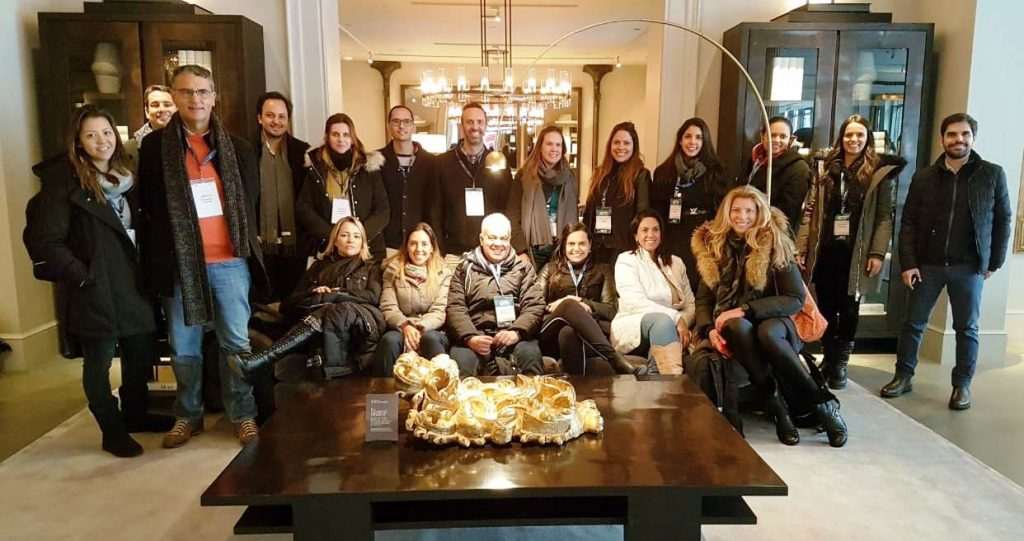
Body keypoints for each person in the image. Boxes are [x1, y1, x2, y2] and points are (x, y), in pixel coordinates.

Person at [24, 106, 173, 457]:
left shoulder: (127, 176)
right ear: (78, 141)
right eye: (91, 135)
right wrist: (82, 277)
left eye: (107, 133)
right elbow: (47, 240)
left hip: (132, 282)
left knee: (139, 354)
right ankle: (111, 429)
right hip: (94, 286)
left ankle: (136, 413)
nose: (101, 141)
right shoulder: (63, 183)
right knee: (99, 362)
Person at [137, 65, 268, 449]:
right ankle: (187, 415)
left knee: (236, 344)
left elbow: (250, 201)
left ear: (214, 97)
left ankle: (242, 414)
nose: (195, 99)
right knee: (184, 347)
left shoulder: (239, 148)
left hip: (230, 261)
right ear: (174, 97)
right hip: (179, 264)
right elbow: (149, 207)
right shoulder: (154, 149)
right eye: (186, 91)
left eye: (202, 91)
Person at [691, 186, 847, 447]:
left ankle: (823, 404)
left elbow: (794, 298)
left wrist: (746, 309)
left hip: (775, 318)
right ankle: (776, 405)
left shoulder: (774, 242)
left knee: (766, 333)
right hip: (733, 324)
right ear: (727, 213)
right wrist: (709, 331)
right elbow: (704, 301)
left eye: (749, 211)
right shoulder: (713, 247)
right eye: (736, 210)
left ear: (759, 213)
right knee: (736, 326)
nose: (742, 216)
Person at [881, 113, 1012, 410]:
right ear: (943, 139)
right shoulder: (924, 177)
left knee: (967, 328)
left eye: (965, 134)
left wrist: (994, 262)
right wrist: (909, 263)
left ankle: (962, 385)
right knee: (913, 324)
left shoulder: (992, 174)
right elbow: (909, 222)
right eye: (952, 134)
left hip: (969, 267)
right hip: (928, 264)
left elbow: (1003, 220)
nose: (958, 140)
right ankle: (903, 376)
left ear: (973, 138)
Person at [796, 114, 906, 389]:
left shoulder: (879, 173)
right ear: (841, 138)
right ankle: (829, 357)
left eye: (859, 135)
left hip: (856, 252)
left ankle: (840, 364)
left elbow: (884, 217)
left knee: (848, 308)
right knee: (824, 305)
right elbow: (810, 209)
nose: (853, 140)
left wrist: (877, 253)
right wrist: (801, 246)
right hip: (825, 249)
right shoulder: (825, 168)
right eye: (848, 134)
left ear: (867, 139)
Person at [229, 217, 385, 379]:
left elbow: (373, 297)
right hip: (323, 323)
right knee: (326, 312)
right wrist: (314, 292)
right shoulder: (319, 266)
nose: (351, 240)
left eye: (356, 236)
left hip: (360, 324)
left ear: (363, 242)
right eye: (344, 235)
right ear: (335, 240)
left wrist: (336, 294)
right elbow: (290, 302)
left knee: (332, 309)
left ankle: (261, 360)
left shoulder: (371, 267)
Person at [445, 213, 545, 376]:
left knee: (530, 355)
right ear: (481, 239)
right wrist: (470, 338)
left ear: (510, 239)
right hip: (475, 336)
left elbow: (534, 305)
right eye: (492, 238)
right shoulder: (464, 269)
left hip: (513, 336)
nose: (498, 243)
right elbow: (455, 307)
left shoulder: (523, 268)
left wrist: (516, 332)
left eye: (503, 238)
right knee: (461, 362)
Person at [535, 223, 635, 375]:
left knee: (569, 332)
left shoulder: (602, 270)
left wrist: (583, 303)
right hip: (551, 334)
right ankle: (614, 359)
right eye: (571, 244)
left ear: (590, 246)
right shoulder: (549, 269)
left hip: (587, 337)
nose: (576, 248)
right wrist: (563, 303)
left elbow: (611, 310)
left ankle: (577, 387)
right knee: (568, 304)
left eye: (582, 243)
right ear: (564, 246)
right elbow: (535, 306)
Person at [611, 209, 695, 375]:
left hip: (671, 329)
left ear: (661, 234)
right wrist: (675, 319)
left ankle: (657, 383)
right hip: (634, 323)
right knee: (663, 322)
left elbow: (690, 302)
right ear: (636, 236)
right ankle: (670, 383)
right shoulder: (626, 260)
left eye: (655, 229)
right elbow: (635, 302)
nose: (651, 234)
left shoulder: (677, 262)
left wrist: (681, 323)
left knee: (664, 331)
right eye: (645, 230)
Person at [296, 113, 390, 260]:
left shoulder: (368, 166)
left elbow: (383, 210)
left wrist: (358, 237)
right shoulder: (315, 166)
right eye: (335, 134)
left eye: (346, 135)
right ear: (327, 137)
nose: (341, 139)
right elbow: (304, 208)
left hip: (367, 249)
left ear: (353, 138)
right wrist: (333, 237)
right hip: (328, 248)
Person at [651, 117, 729, 293]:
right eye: (688, 136)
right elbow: (657, 210)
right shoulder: (663, 172)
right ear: (680, 140)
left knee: (699, 288)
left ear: (705, 141)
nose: (692, 142)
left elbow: (722, 210)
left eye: (698, 137)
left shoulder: (717, 171)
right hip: (674, 236)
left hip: (704, 238)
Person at [432, 103, 515, 265]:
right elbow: (435, 210)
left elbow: (506, 207)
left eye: (479, 122)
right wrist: (439, 250)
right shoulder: (442, 163)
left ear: (486, 125)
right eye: (470, 122)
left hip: (490, 252)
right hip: (452, 252)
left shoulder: (498, 162)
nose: (475, 127)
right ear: (461, 125)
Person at [254, 91, 311, 300]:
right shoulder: (246, 149)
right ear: (259, 118)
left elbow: (308, 199)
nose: (276, 121)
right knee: (261, 302)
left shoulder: (303, 152)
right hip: (258, 244)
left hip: (295, 244)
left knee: (292, 302)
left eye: (281, 116)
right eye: (270, 115)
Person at [374, 223, 452, 375]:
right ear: (407, 247)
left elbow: (439, 310)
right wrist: (405, 326)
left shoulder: (443, 273)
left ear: (432, 248)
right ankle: (384, 389)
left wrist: (419, 327)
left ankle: (440, 386)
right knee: (389, 341)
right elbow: (388, 306)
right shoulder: (392, 270)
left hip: (432, 328)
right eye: (413, 244)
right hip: (400, 327)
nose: (419, 249)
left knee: (430, 339)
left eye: (424, 244)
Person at [507, 125, 579, 270]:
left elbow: (574, 214)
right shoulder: (524, 176)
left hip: (562, 249)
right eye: (549, 144)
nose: (554, 149)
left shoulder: (570, 177)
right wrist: (521, 251)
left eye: (558, 145)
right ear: (540, 147)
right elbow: (512, 216)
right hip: (533, 251)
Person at [582, 121, 651, 265]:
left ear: (634, 146)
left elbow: (642, 215)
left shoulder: (640, 175)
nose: (621, 147)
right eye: (616, 142)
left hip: (624, 249)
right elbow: (589, 212)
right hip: (596, 247)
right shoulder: (600, 173)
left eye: (626, 143)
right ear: (610, 145)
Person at [377, 105, 436, 258]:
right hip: (387, 245)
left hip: (421, 247)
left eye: (406, 121)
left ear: (413, 126)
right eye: (396, 121)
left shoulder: (431, 162)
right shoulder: (376, 161)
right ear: (388, 126)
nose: (401, 126)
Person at [743, 116, 811, 233]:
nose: (776, 140)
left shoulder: (798, 168)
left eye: (783, 136)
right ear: (763, 136)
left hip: (773, 232)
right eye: (772, 135)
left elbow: (788, 212)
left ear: (790, 140)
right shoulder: (755, 160)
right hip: (746, 225)